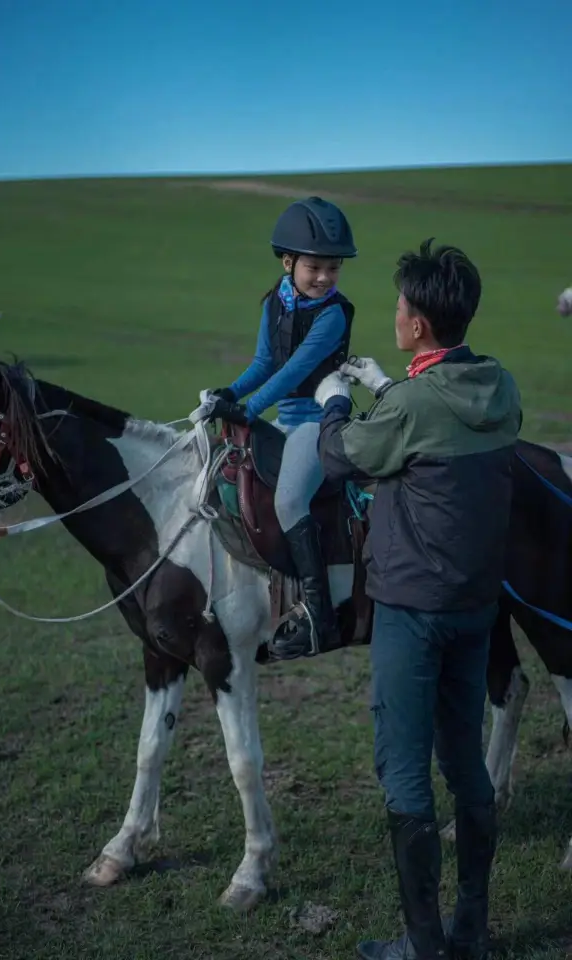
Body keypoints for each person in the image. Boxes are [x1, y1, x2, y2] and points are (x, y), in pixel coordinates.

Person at [313, 238, 522, 960]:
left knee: (403, 768)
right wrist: (387, 387)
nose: (396, 314)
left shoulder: (406, 405)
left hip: (410, 610)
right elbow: (434, 428)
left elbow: (342, 454)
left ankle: (423, 946)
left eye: (401, 307)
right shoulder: (502, 387)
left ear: (419, 326)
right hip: (475, 609)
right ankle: (470, 933)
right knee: (464, 760)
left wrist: (337, 400)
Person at [208, 196, 357, 660]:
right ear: (288, 261)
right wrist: (230, 394)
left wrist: (249, 412)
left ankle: (319, 617)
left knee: (291, 497)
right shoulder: (275, 301)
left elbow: (293, 372)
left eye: (333, 268)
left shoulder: (332, 314)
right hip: (284, 419)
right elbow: (262, 363)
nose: (324, 278)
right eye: (315, 267)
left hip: (318, 420)